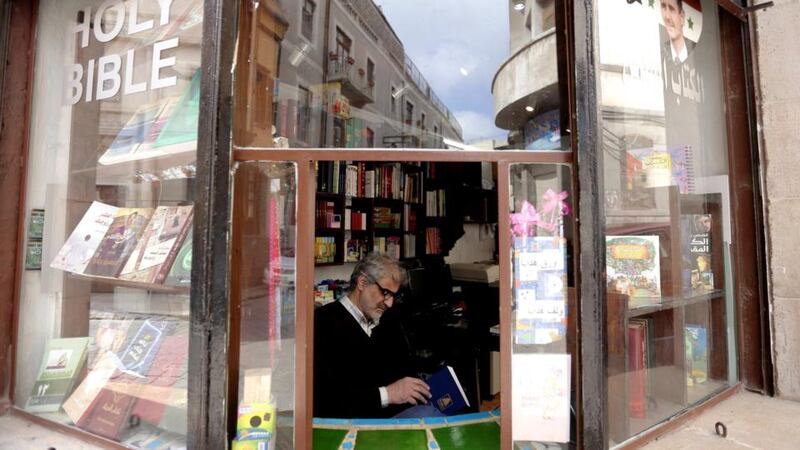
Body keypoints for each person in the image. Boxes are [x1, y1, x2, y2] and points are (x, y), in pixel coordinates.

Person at [313, 253, 432, 418]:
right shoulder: (323, 324)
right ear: (362, 283)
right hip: (361, 425)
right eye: (385, 292)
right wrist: (388, 394)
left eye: (393, 296)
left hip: (405, 411)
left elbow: (404, 368)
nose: (389, 303)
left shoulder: (388, 319)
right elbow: (329, 401)